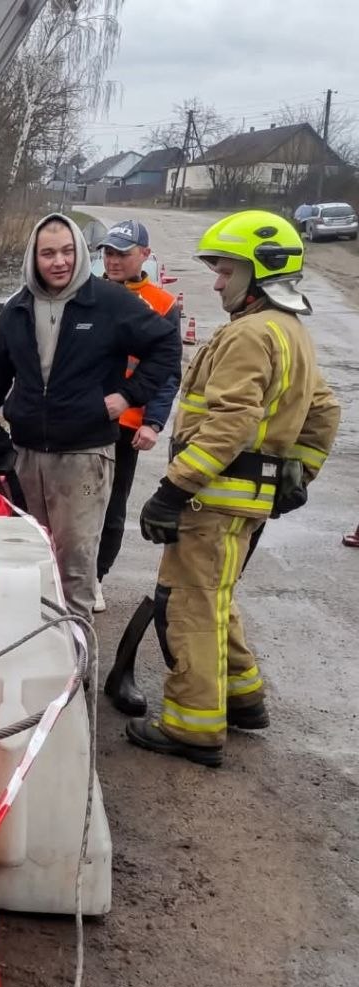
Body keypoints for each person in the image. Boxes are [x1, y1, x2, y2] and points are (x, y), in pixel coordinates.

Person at [131, 211, 339, 766]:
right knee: (216, 598)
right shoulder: (290, 330)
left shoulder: (251, 334)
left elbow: (231, 423)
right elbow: (324, 409)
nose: (218, 282)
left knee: (190, 607)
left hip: (211, 500)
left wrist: (174, 489)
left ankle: (192, 725)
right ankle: (243, 700)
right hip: (244, 500)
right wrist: (299, 473)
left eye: (226, 271)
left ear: (259, 272)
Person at [0, 213, 181, 624]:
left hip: (83, 456)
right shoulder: (18, 308)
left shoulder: (108, 303)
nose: (59, 261)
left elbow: (165, 349)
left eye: (68, 251)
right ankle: (32, 657)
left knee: (73, 576)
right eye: (48, 253)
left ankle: (78, 677)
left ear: (81, 254)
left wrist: (128, 396)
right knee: (26, 568)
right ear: (34, 257)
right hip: (26, 455)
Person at [93, 220, 180, 615]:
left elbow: (167, 372)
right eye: (108, 253)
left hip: (127, 425)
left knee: (111, 505)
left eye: (121, 254)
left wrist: (154, 422)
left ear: (144, 255)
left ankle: (95, 576)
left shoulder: (162, 304)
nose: (112, 261)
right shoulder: (87, 293)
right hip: (82, 418)